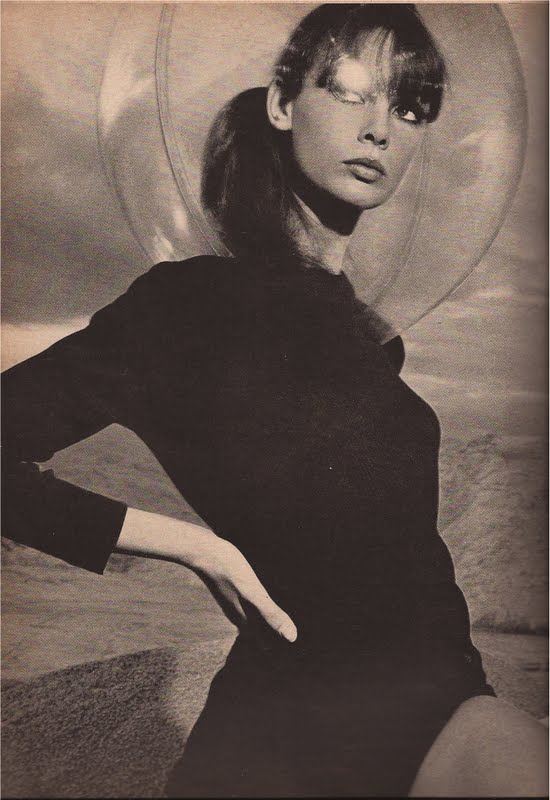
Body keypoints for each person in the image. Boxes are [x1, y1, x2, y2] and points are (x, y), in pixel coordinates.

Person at [3, 4, 547, 797]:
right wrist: (197, 548)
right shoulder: (187, 305)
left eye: (409, 107)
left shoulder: (373, 343)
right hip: (281, 734)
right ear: (284, 104)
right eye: (350, 91)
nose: (380, 129)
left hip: (442, 699)